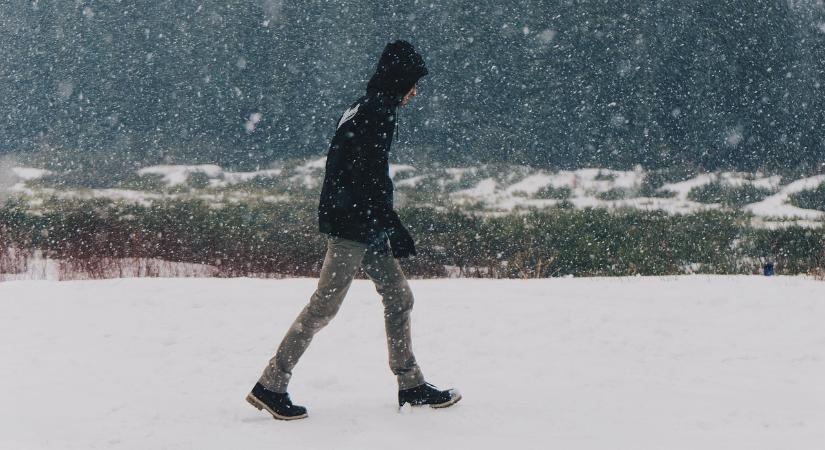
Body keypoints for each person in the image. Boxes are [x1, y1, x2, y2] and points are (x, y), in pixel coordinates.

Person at [246, 40, 461, 420]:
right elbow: (367, 176)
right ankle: (271, 384)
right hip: (354, 224)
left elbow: (352, 171)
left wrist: (381, 222)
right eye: (414, 82)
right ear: (400, 80)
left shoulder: (364, 106)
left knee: (399, 296)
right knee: (324, 306)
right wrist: (384, 221)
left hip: (363, 220)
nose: (416, 91)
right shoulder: (377, 111)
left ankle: (410, 385)